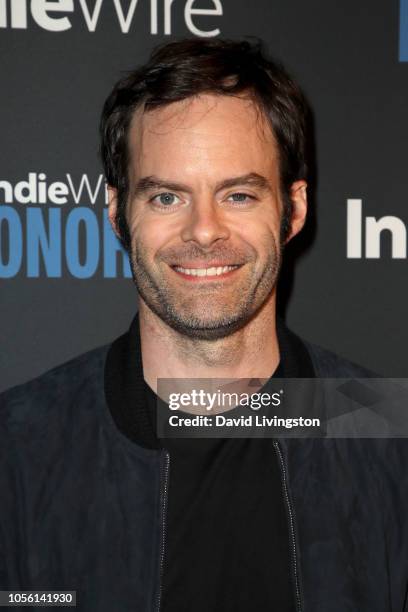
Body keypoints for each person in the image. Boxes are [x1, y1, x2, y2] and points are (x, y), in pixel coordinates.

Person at [1, 38, 407, 612]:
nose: (204, 230)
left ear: (294, 210)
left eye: (238, 194)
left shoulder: (388, 440)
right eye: (167, 197)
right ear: (117, 213)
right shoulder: (18, 448)